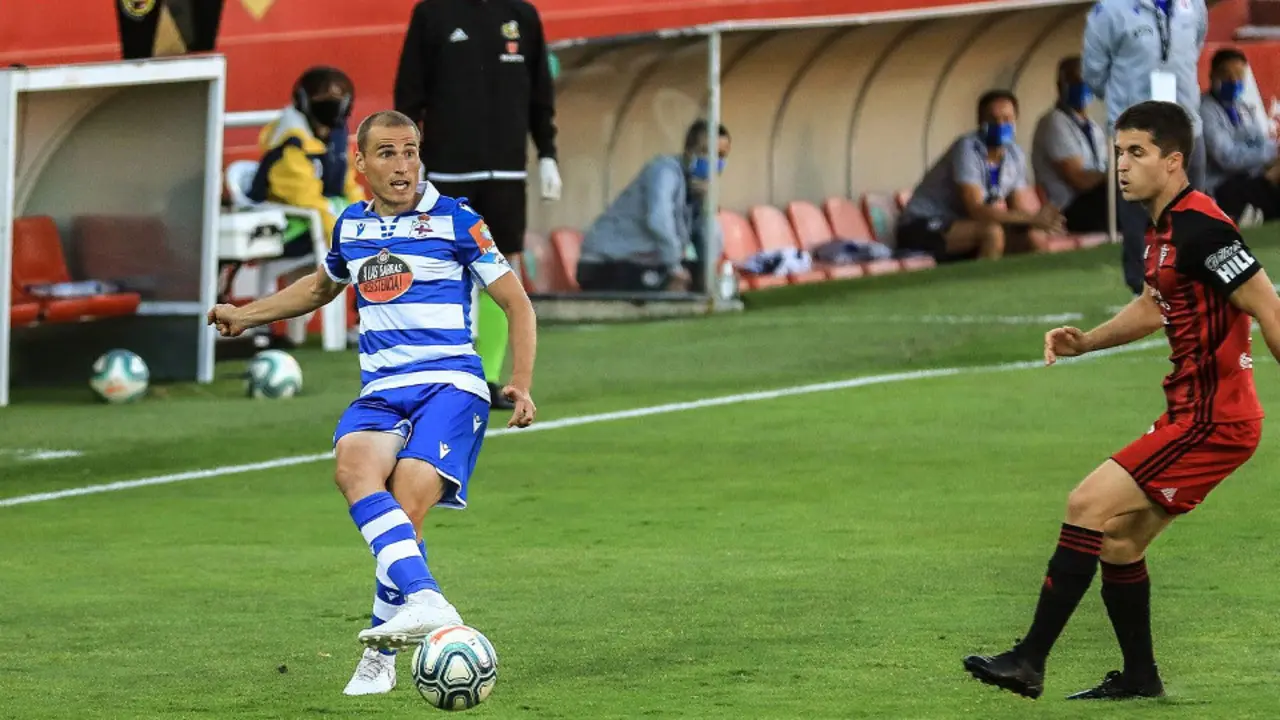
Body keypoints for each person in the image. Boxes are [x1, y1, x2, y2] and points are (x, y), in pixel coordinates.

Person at [207, 110, 538, 697]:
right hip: (382, 390)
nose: (403, 165)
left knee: (406, 507)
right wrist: (245, 314)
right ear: (360, 162)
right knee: (353, 470)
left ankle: (380, 654)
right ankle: (426, 603)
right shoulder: (351, 226)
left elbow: (516, 302)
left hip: (449, 384)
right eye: (387, 153)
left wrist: (520, 381)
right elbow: (319, 287)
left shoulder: (457, 220)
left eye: (410, 151)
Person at [963, 101, 1280, 701]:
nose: (1123, 166)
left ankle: (1029, 660)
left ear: (1173, 161)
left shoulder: (1204, 228)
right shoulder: (1164, 230)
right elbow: (1155, 305)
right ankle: (1140, 678)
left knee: (1086, 503)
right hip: (1194, 415)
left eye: (1137, 152)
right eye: (1118, 153)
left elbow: (1268, 306)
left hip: (1214, 419)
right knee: (1119, 541)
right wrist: (1087, 342)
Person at [394, 0, 561, 410]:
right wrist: (408, 157)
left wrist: (547, 153)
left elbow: (540, 91)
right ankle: (432, 374)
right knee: (439, 270)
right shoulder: (433, 14)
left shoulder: (522, 15)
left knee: (498, 269)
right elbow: (409, 93)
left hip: (507, 171)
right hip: (447, 170)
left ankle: (486, 379)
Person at [1083, 0, 1209, 295]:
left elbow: (1195, 45)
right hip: (1136, 127)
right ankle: (1142, 286)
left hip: (1186, 122)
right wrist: (1125, 101)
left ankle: (1192, 278)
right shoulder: (1110, 9)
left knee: (1191, 207)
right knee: (1138, 210)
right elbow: (1094, 73)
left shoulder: (1193, 5)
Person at [249, 66, 368, 345]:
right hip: (290, 231)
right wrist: (344, 234)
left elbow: (348, 185)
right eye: (322, 96)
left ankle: (370, 321)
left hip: (325, 224)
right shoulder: (290, 145)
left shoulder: (336, 137)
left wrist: (367, 220)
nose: (330, 103)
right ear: (303, 100)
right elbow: (307, 200)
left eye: (337, 97)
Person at [897, 90, 1061, 262]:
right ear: (980, 121)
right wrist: (1033, 218)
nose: (1000, 125)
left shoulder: (1015, 154)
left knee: (1033, 237)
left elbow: (1018, 208)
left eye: (1007, 119)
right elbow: (976, 210)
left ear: (1016, 121)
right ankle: (987, 280)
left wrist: (1044, 220)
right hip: (921, 225)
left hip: (963, 227)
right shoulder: (967, 149)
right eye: (992, 119)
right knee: (991, 233)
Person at [576, 120, 729, 292]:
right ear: (688, 152)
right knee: (675, 285)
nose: (713, 161)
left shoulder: (696, 191)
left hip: (643, 263)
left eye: (721, 155)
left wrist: (707, 205)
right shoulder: (664, 171)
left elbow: (710, 251)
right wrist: (675, 268)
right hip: (605, 263)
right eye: (706, 152)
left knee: (707, 281)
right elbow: (659, 221)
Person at [1201, 47, 1280, 224]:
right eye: (1227, 75)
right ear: (1212, 75)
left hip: (1249, 179)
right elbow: (1227, 158)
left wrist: (1273, 157)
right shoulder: (1205, 110)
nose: (1233, 81)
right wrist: (1272, 155)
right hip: (1220, 188)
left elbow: (1261, 142)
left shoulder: (1243, 108)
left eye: (1239, 76)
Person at [1032, 56, 1110, 233]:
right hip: (1068, 209)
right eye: (1074, 81)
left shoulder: (1093, 127)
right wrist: (1111, 177)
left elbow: (1103, 170)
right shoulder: (1054, 121)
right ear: (1060, 86)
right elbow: (1078, 179)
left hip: (1096, 201)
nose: (1082, 85)